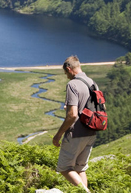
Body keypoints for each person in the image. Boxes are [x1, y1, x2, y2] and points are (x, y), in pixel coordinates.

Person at [52, 55, 97, 192]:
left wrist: (58, 135)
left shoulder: (72, 84)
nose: (66, 76)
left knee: (64, 168)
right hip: (91, 132)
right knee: (80, 168)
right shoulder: (92, 83)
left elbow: (73, 115)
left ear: (69, 68)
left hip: (76, 133)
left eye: (66, 73)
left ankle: (86, 192)